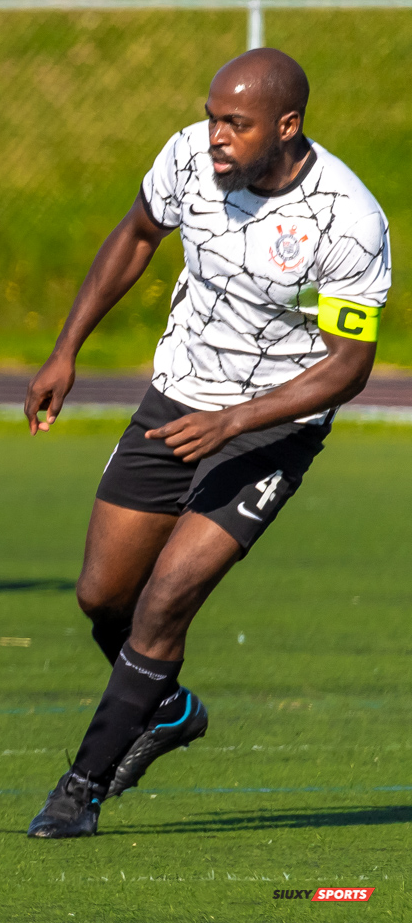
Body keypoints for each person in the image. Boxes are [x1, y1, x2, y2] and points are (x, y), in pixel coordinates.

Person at [22, 48, 390, 838]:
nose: (215, 134)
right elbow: (136, 234)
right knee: (102, 596)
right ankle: (171, 708)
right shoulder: (189, 155)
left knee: (165, 601)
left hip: (272, 428)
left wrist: (236, 422)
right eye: (213, 114)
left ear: (286, 127)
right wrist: (66, 347)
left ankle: (80, 788)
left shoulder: (348, 220)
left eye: (236, 122)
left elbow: (349, 365)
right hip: (178, 398)